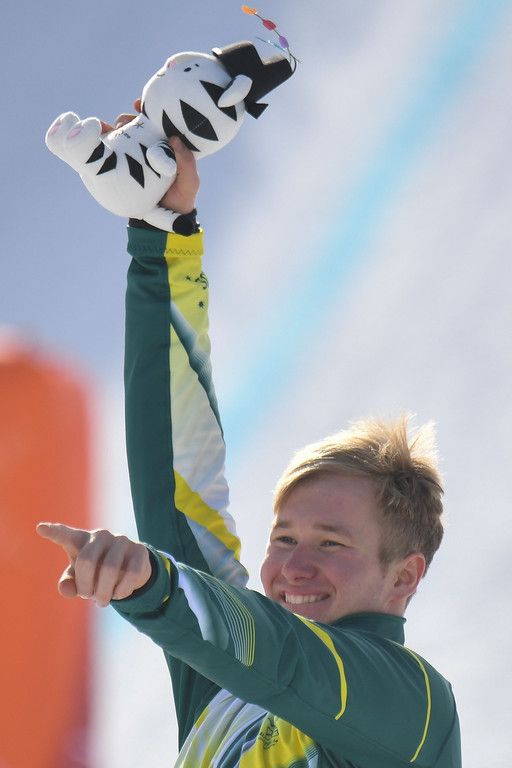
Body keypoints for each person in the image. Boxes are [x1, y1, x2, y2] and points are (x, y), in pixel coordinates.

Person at [38, 115, 461, 767]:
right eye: (284, 538)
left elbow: (289, 660)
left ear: (404, 576)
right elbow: (176, 490)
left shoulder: (412, 707)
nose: (293, 568)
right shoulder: (233, 684)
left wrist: (156, 585)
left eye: (331, 543)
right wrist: (162, 235)